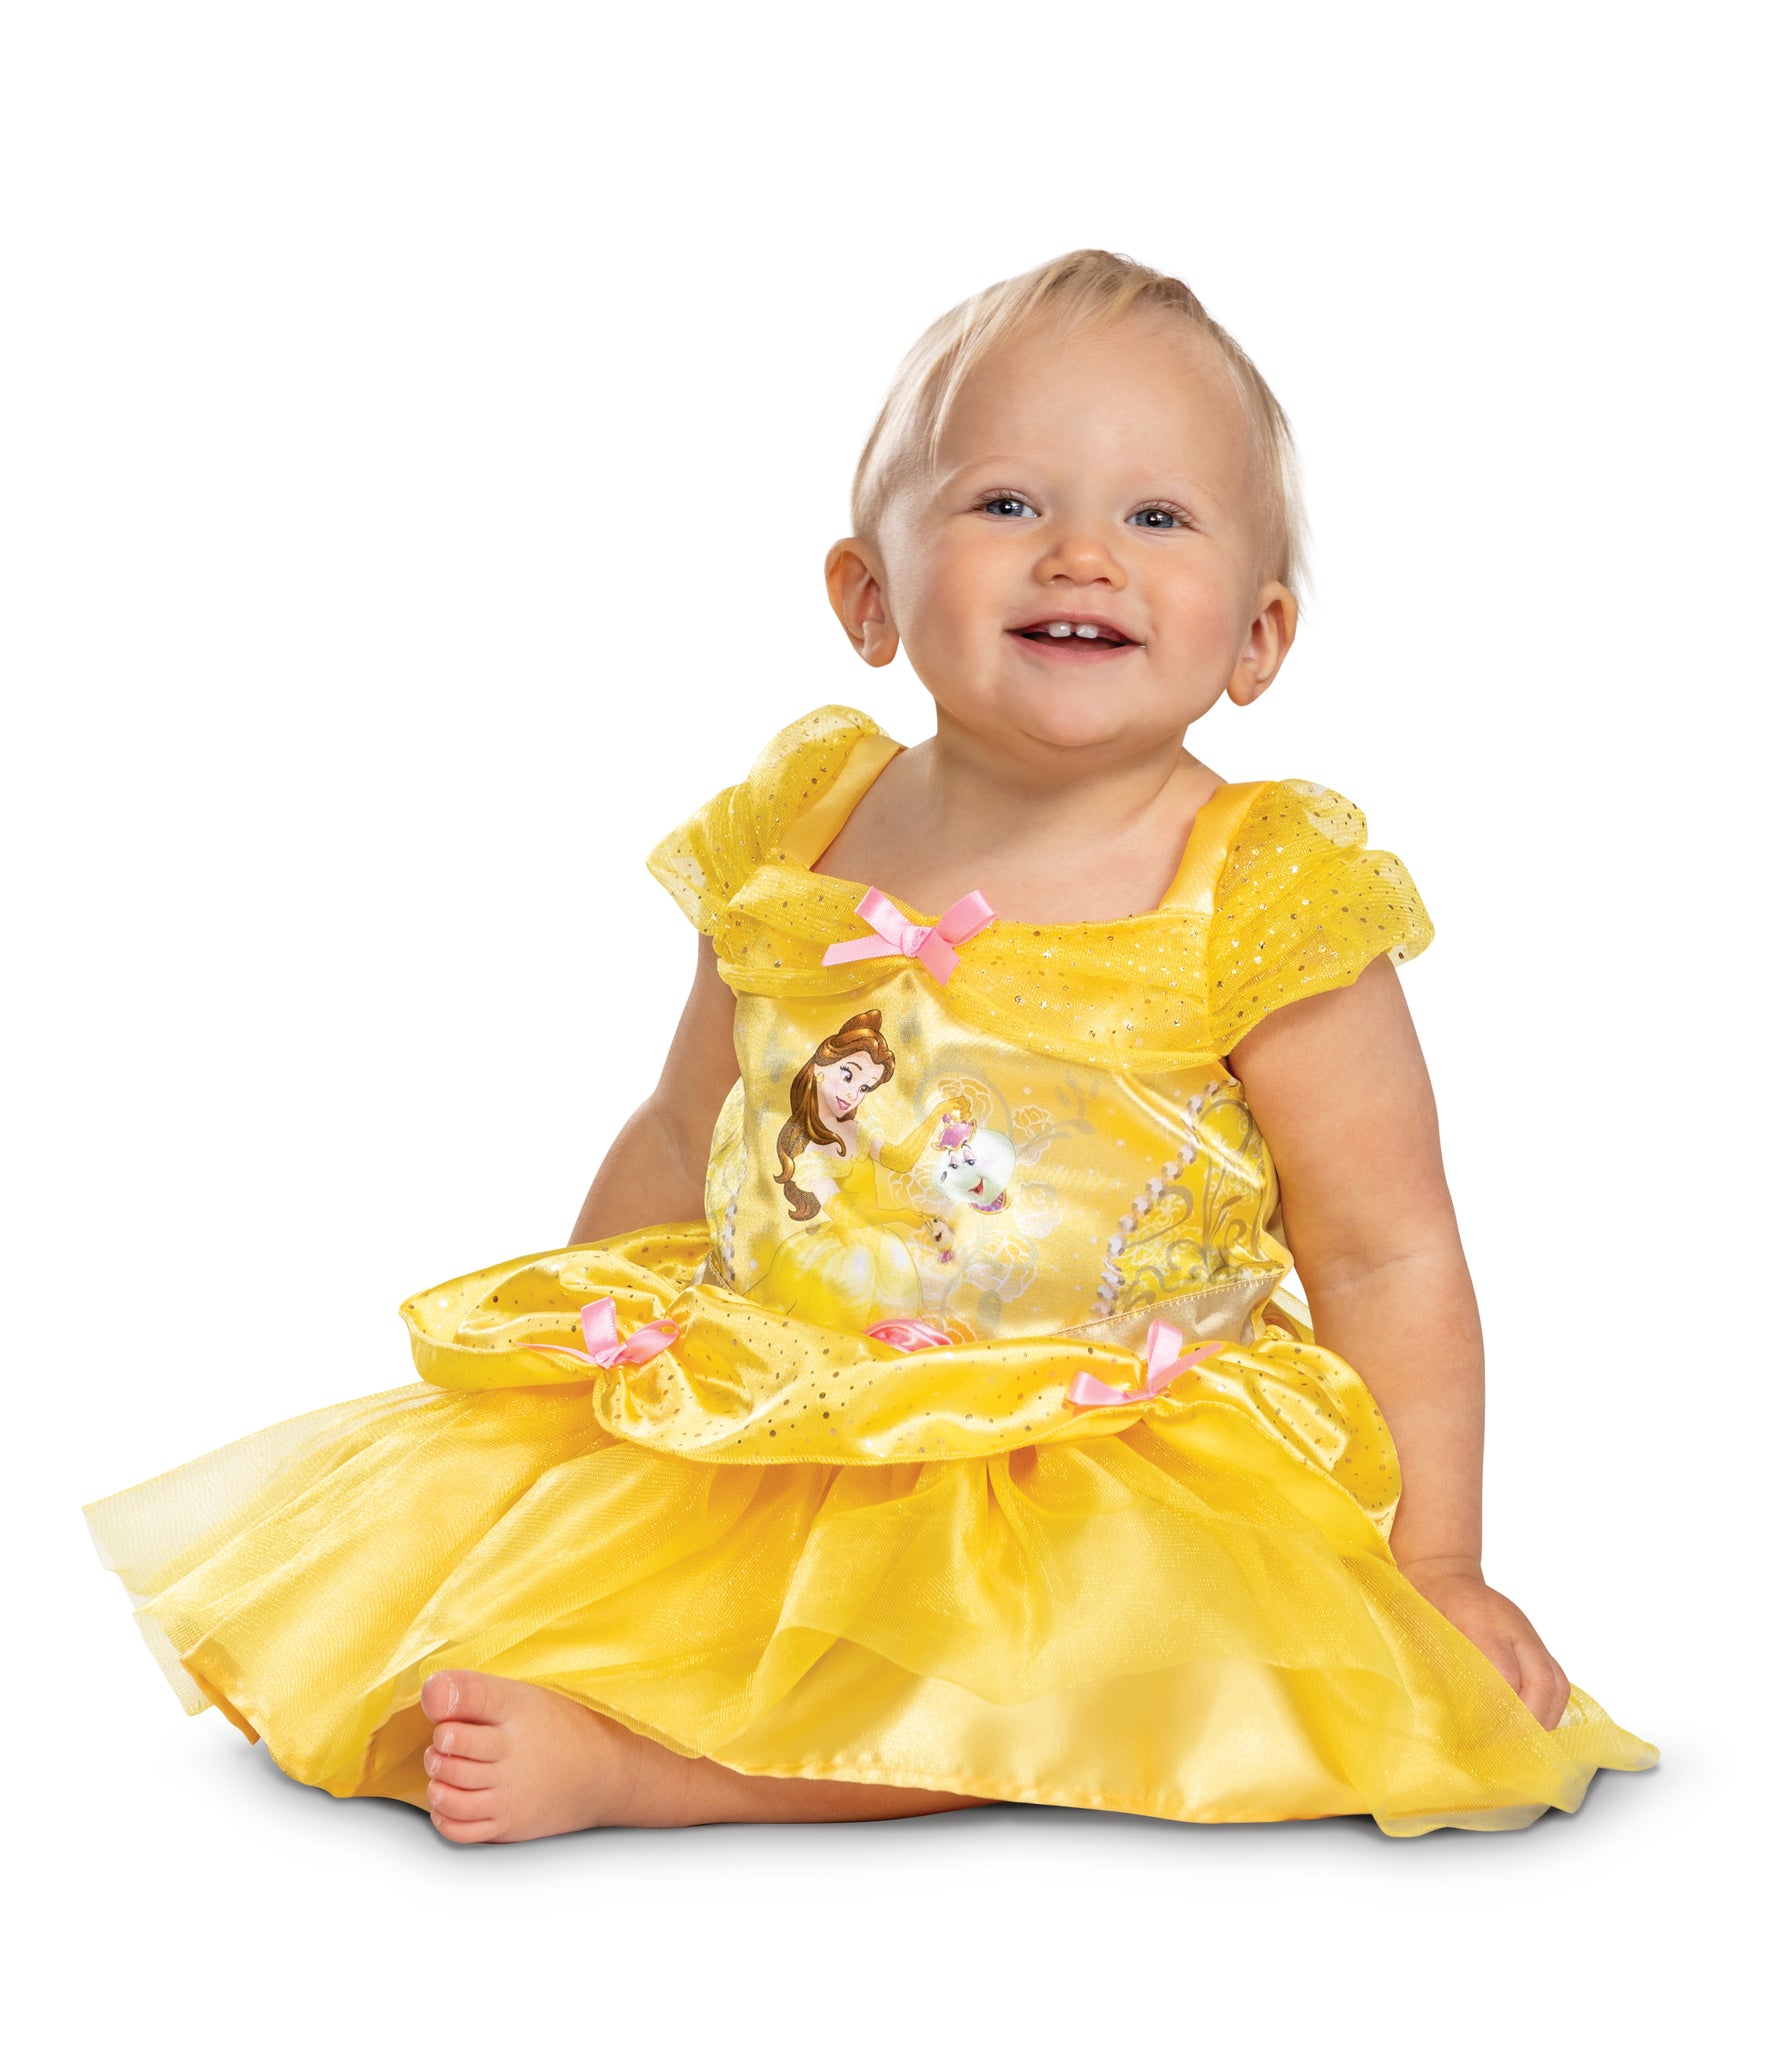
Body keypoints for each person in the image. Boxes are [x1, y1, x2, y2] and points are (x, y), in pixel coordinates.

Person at [84, 248, 1655, 1842]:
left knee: (1044, 1671)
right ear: (868, 595)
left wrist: (1436, 1565)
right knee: (559, 1608)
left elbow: (1388, 1253)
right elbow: (689, 1121)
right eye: (1007, 504)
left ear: (1257, 639)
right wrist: (573, 1396)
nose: (1084, 558)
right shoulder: (810, 827)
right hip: (794, 1407)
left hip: (1095, 1457)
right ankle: (611, 1689)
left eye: (1157, 519)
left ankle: (652, 1779)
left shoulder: (1255, 893)